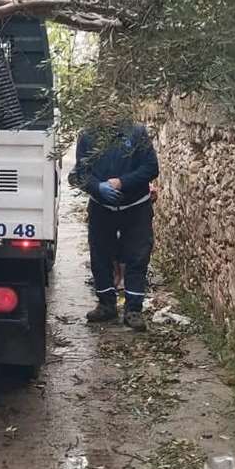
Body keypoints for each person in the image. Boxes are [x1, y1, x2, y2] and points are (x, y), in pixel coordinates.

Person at [70, 120, 160, 330]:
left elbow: (151, 168)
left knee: (137, 256)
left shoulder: (137, 133)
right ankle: (106, 305)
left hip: (136, 206)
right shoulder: (87, 135)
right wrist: (97, 187)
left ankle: (133, 310)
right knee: (100, 255)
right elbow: (80, 173)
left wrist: (122, 183)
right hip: (101, 207)